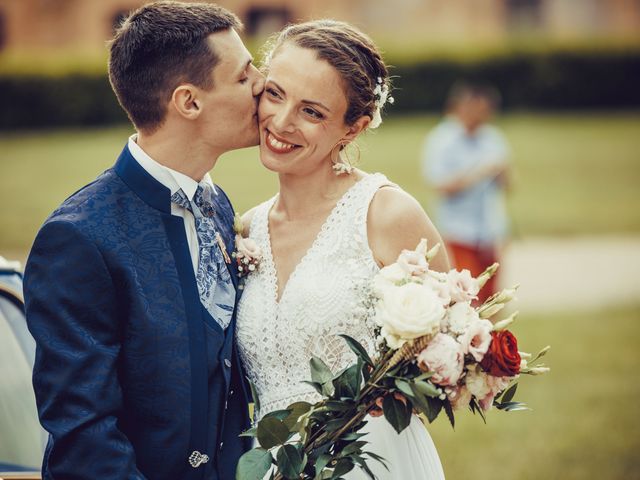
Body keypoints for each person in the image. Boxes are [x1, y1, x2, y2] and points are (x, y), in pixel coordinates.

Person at [23, 2, 264, 479]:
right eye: (243, 76)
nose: (262, 83)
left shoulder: (219, 207)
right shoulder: (77, 237)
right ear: (189, 102)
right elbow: (84, 434)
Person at [236, 20, 448, 479]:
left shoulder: (387, 214)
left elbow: (453, 353)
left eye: (312, 112)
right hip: (268, 465)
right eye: (275, 93)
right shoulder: (245, 229)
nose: (282, 121)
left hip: (371, 462)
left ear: (353, 128)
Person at [421, 82, 511, 303]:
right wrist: (478, 173)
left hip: (489, 229)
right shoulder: (442, 140)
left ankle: (493, 338)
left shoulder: (493, 138)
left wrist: (502, 174)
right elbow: (441, 186)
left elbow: (508, 186)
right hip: (457, 230)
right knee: (466, 297)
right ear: (460, 107)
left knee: (493, 297)